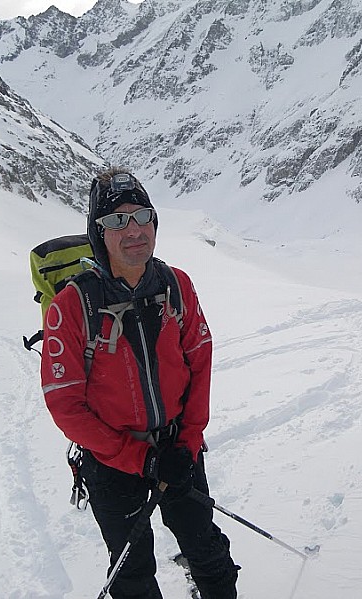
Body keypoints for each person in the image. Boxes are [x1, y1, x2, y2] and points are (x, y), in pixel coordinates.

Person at [41, 168, 239, 598]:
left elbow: (199, 365)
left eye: (142, 216)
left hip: (176, 448)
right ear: (98, 232)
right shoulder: (72, 305)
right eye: (116, 220)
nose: (132, 230)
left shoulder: (176, 286)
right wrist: (139, 459)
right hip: (112, 463)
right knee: (132, 573)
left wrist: (186, 444)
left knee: (205, 548)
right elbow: (65, 405)